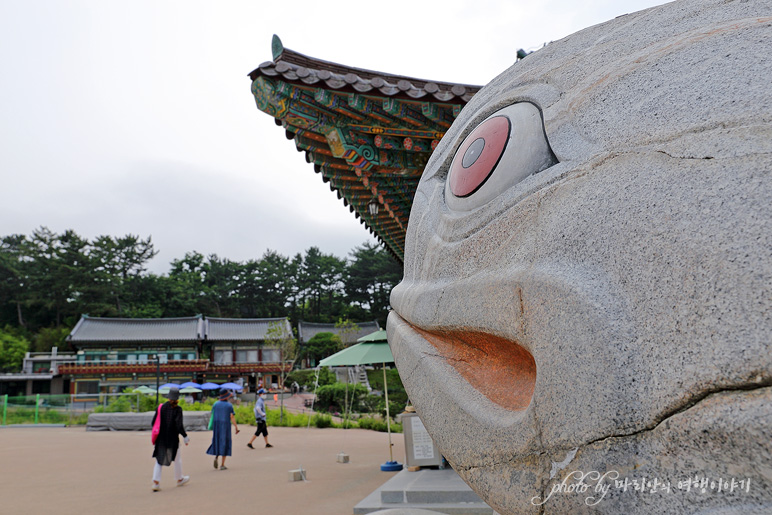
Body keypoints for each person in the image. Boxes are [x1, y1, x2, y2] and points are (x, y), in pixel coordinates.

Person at [151, 387, 190, 491]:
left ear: (168, 397)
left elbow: (153, 422)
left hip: (161, 438)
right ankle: (179, 479)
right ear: (177, 398)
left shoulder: (161, 408)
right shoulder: (178, 409)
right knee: (177, 459)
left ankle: (156, 482)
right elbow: (179, 425)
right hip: (173, 439)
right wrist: (185, 436)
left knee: (159, 460)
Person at [206, 387, 239, 470]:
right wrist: (236, 427)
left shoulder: (215, 404)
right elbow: (232, 417)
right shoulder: (229, 405)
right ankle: (222, 464)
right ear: (227, 396)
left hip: (217, 425)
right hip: (225, 425)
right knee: (225, 442)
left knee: (217, 441)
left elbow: (213, 414)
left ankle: (216, 456)